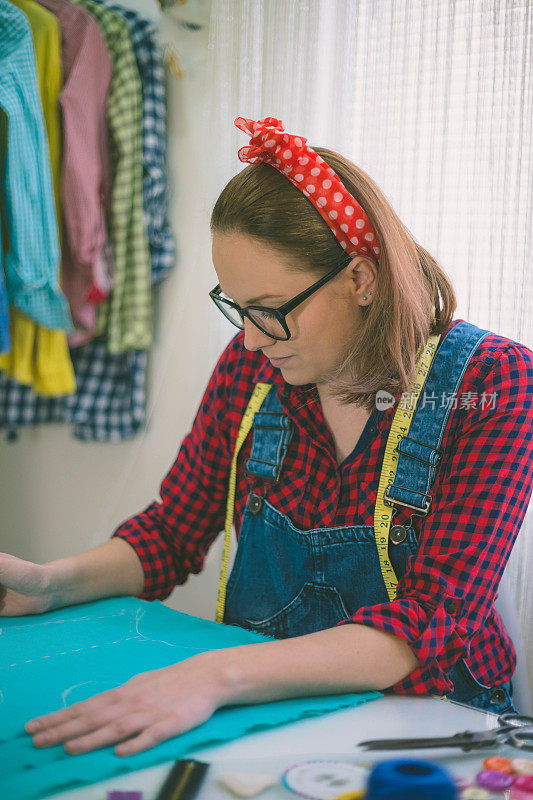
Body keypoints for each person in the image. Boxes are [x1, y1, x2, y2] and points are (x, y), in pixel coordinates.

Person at [1, 116, 533, 759]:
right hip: (271, 712)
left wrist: (212, 675)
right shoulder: (253, 368)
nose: (251, 338)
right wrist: (48, 581)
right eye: (237, 308)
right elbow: (172, 532)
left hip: (434, 729)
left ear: (361, 279)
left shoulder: (493, 381)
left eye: (271, 311)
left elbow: (433, 616)